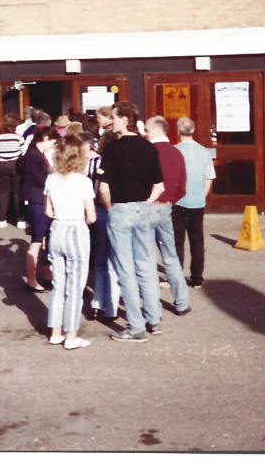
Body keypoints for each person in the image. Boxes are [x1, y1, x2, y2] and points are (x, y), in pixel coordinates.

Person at [98, 101, 165, 342]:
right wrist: (145, 203)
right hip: (143, 210)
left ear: (125, 119)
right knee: (146, 266)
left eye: (114, 117)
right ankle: (154, 319)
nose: (111, 121)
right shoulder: (149, 148)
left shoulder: (112, 149)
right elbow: (160, 185)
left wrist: (111, 208)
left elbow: (104, 188)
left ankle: (136, 326)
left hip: (121, 210)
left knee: (125, 269)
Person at [44, 134, 97, 350]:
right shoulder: (83, 181)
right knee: (75, 287)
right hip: (76, 230)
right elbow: (91, 216)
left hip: (57, 229)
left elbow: (48, 211)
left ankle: (55, 332)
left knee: (58, 286)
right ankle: (71, 336)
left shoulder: (51, 178)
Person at [144, 116, 191, 315]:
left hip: (146, 206)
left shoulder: (146, 152)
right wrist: (171, 199)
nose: (144, 133)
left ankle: (153, 308)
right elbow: (182, 186)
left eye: (146, 129)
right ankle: (182, 302)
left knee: (146, 259)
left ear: (156, 130)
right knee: (170, 257)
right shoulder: (177, 152)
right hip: (166, 208)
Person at [82, 130, 121, 323]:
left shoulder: (91, 164)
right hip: (113, 208)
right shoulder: (118, 162)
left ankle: (96, 304)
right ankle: (111, 307)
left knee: (100, 260)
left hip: (95, 210)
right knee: (113, 261)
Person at [173, 116, 215, 289]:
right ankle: (197, 278)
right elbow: (209, 177)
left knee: (177, 242)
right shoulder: (204, 151)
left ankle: (176, 276)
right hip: (198, 202)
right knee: (197, 241)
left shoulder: (175, 151)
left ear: (178, 131)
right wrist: (202, 195)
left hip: (179, 202)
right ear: (194, 130)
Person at [22, 126, 58, 292]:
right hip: (37, 200)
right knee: (37, 239)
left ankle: (47, 276)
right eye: (52, 141)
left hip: (39, 199)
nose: (53, 145)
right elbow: (39, 179)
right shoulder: (33, 155)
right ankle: (31, 279)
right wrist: (55, 174)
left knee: (45, 240)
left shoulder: (38, 154)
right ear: (45, 139)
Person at [0, 113, 24, 228]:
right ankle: (20, 220)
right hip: (15, 164)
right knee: (17, 193)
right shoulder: (18, 137)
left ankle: (2, 220)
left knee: (4, 193)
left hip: (2, 164)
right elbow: (22, 152)